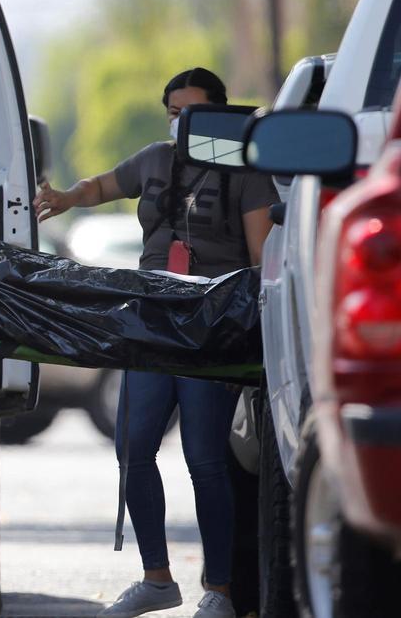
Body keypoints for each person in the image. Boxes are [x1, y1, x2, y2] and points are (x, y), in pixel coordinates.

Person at [33, 67, 277, 618]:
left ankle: (219, 591)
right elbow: (101, 185)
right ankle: (156, 579)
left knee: (205, 459)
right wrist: (67, 197)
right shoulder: (154, 159)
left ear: (220, 113)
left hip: (209, 324)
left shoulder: (246, 171)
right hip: (152, 316)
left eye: (191, 114)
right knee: (133, 449)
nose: (179, 124)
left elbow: (262, 262)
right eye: (172, 114)